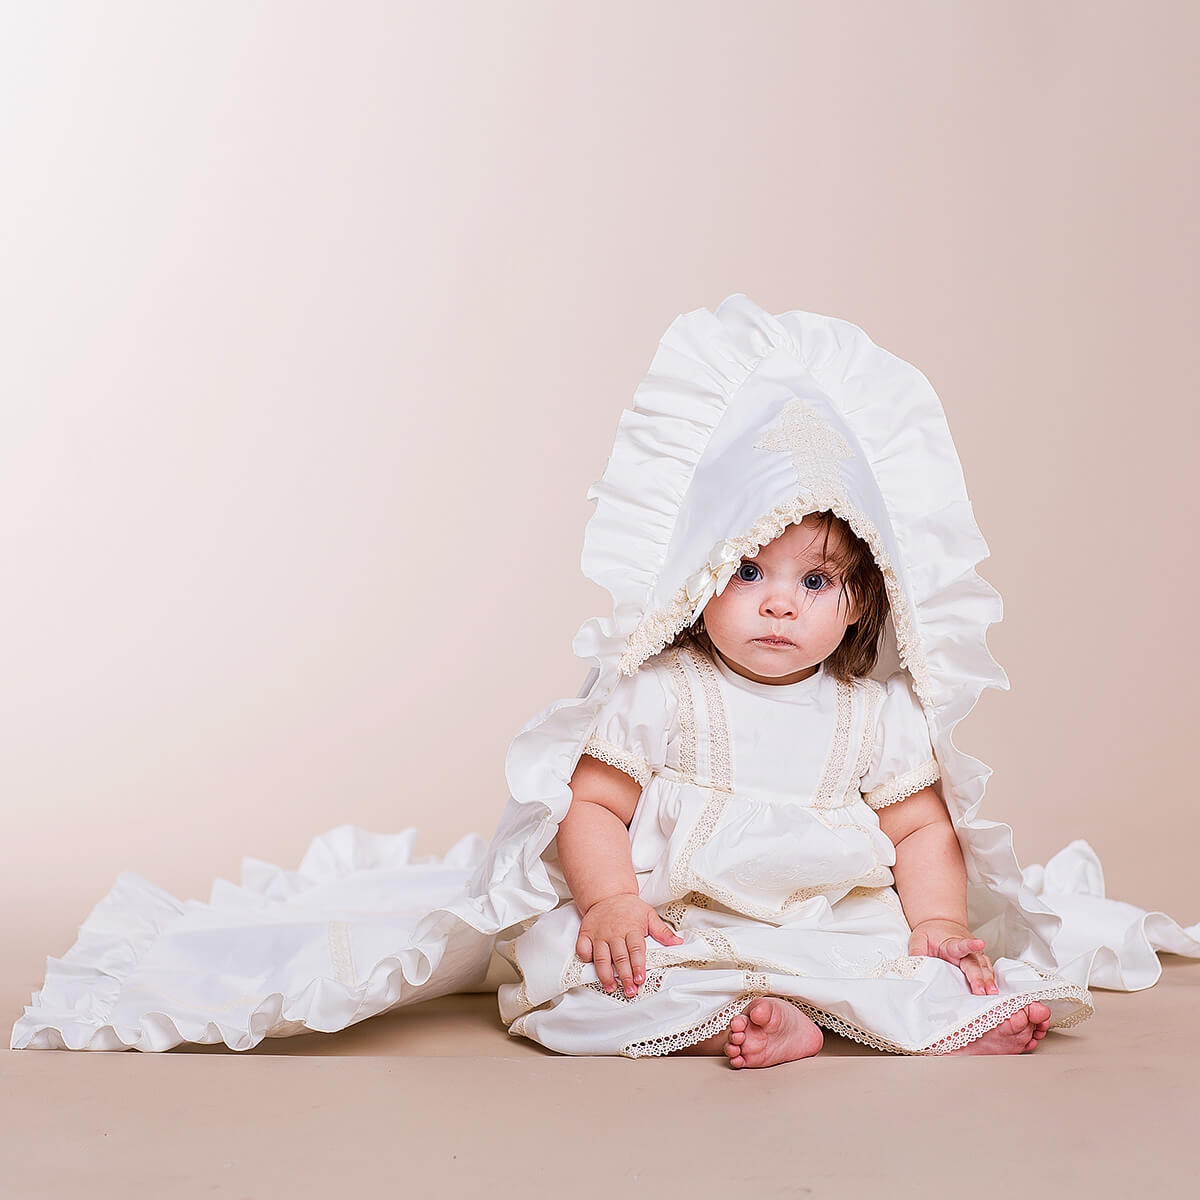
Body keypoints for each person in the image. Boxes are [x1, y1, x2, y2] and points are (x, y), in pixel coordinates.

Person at [12, 295, 1198, 1054]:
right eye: (748, 570)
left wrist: (937, 921)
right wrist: (612, 902)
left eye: (819, 580)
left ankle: (911, 1009)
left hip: (822, 920)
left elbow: (924, 831)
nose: (782, 600)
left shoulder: (874, 716)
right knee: (595, 978)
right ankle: (756, 1018)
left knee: (904, 959)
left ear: (865, 599)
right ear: (697, 581)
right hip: (682, 918)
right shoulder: (663, 694)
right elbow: (595, 808)